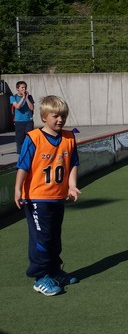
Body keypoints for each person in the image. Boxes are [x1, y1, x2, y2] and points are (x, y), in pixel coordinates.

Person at [14, 95, 80, 296]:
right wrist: (18, 189)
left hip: (57, 197)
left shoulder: (69, 138)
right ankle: (40, 277)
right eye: (55, 116)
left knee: (54, 238)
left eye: (63, 116)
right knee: (41, 238)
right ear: (44, 117)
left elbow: (73, 164)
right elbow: (23, 166)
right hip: (37, 198)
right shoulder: (34, 138)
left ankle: (54, 270)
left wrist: (72, 186)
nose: (60, 120)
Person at [10, 81, 35, 154]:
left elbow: (32, 108)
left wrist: (27, 98)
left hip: (28, 120)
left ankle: (29, 151)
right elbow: (17, 106)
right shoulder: (13, 97)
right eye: (22, 87)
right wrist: (23, 97)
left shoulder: (29, 97)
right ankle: (20, 152)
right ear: (17, 88)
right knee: (19, 138)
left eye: (25, 87)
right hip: (19, 121)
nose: (24, 89)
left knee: (29, 137)